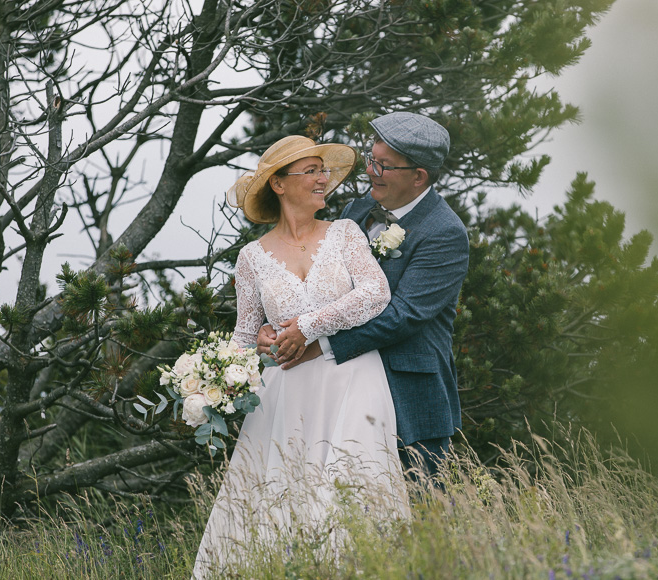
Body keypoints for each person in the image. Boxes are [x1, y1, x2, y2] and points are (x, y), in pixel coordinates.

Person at [192, 135, 407, 578]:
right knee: (282, 496)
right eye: (310, 171)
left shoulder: (345, 233)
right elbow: (246, 334)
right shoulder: (252, 258)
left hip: (353, 378)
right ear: (279, 184)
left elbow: (376, 293)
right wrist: (214, 376)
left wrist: (308, 327)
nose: (322, 179)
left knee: (352, 484)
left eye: (322, 171)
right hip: (286, 393)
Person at [264, 112, 469, 480]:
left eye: (384, 165)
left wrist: (317, 343)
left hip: (408, 398)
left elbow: (403, 315)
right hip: (338, 394)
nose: (370, 171)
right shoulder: (355, 211)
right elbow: (320, 287)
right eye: (371, 159)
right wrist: (276, 327)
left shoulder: (445, 233)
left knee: (414, 523)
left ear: (418, 176)